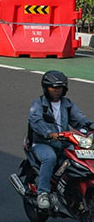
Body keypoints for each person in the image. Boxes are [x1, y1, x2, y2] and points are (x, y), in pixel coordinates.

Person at [28, 70, 94, 210]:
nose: (57, 90)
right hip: (42, 143)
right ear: (46, 88)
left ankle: (74, 193)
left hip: (63, 142)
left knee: (80, 160)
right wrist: (49, 133)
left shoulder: (67, 103)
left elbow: (80, 119)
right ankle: (43, 193)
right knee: (50, 158)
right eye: (54, 87)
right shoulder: (38, 103)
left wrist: (90, 126)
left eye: (60, 88)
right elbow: (36, 121)